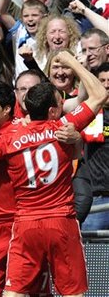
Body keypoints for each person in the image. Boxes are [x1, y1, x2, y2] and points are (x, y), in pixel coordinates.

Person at [0, 50, 108, 296]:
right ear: (53, 110)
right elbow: (100, 94)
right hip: (61, 221)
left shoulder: (8, 139)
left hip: (25, 224)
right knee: (72, 292)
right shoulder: (63, 128)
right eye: (60, 102)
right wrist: (71, 61)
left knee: (14, 292)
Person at [0, 80, 51, 296]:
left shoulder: (22, 131)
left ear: (7, 110)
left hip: (22, 224)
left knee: (34, 292)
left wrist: (74, 137)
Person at [79, 62, 109, 230]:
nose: (106, 86)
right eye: (101, 81)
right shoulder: (87, 114)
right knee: (92, 255)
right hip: (96, 200)